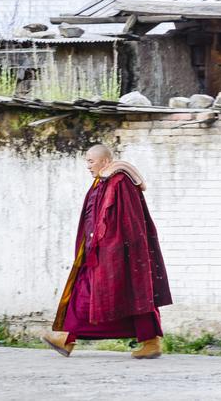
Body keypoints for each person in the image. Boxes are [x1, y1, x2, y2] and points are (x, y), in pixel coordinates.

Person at [41, 145, 172, 359]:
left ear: (104, 161)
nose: (88, 166)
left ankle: (149, 342)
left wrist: (113, 251)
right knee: (102, 293)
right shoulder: (103, 181)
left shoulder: (120, 182)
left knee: (127, 294)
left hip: (116, 253)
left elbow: (129, 222)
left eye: (91, 161)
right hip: (100, 250)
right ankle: (68, 338)